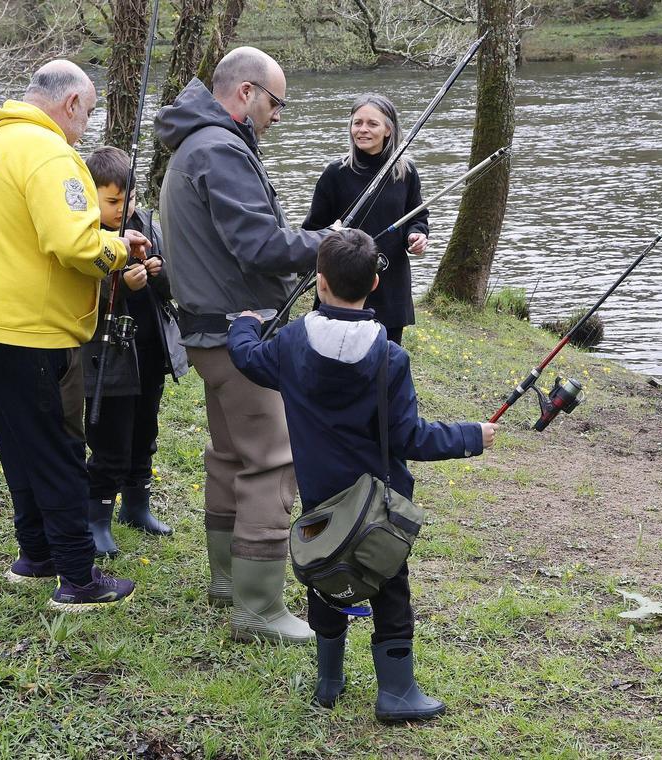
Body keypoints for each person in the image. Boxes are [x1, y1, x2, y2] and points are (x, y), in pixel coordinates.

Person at [227, 229, 498, 722]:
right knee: (390, 587)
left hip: (320, 501)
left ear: (320, 281)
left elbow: (248, 358)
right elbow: (411, 437)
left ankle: (329, 683)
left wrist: (244, 325)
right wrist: (470, 436)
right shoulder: (389, 357)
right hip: (379, 505)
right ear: (375, 283)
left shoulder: (290, 343)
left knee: (326, 577)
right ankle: (396, 693)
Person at [0, 60, 152, 610]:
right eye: (88, 112)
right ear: (69, 104)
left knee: (19, 441)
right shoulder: (49, 153)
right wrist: (117, 249)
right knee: (60, 448)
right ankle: (78, 578)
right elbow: (76, 246)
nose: (86, 125)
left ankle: (35, 553)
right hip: (29, 328)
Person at [154, 46, 331, 643]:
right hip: (239, 336)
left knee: (229, 455)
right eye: (275, 102)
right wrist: (326, 244)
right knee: (270, 462)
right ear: (246, 93)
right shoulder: (221, 150)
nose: (277, 115)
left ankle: (228, 582)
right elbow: (259, 246)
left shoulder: (194, 145)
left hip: (211, 335)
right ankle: (259, 610)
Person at [81, 146, 189, 558]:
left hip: (149, 353)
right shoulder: (86, 235)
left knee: (145, 432)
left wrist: (159, 271)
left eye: (126, 201)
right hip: (107, 359)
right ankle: (97, 518)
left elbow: (172, 289)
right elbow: (84, 296)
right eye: (110, 202)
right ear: (90, 196)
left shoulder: (147, 226)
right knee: (111, 442)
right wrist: (122, 284)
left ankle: (136, 506)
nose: (120, 211)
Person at [303, 94, 428, 346]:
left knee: (386, 361)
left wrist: (416, 234)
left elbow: (418, 216)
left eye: (372, 124)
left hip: (390, 284)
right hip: (342, 286)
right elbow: (312, 229)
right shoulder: (334, 173)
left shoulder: (405, 172)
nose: (362, 130)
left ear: (388, 130)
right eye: (357, 123)